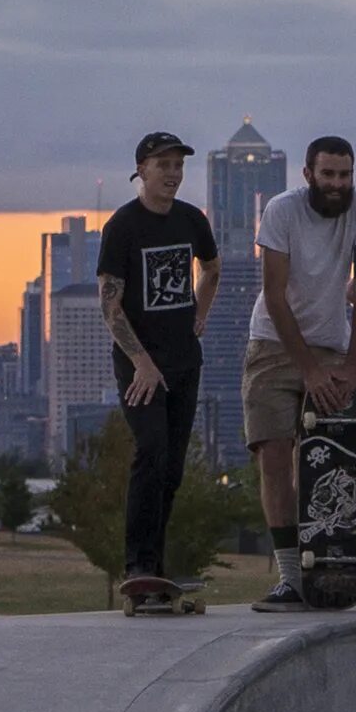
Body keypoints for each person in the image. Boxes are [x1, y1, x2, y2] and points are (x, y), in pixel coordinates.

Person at [243, 135, 356, 610]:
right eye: (328, 174)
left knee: (329, 460)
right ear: (308, 174)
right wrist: (307, 370)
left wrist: (351, 366)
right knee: (275, 455)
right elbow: (275, 294)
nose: (337, 184)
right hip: (273, 344)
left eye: (345, 175)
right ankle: (290, 577)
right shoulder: (282, 211)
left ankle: (331, 569)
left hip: (331, 347)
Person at [98, 130, 220, 594]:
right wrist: (143, 364)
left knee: (172, 468)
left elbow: (211, 267)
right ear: (141, 170)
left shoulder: (191, 220)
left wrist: (201, 312)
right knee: (150, 453)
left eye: (178, 166)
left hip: (185, 361)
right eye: (163, 165)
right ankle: (137, 564)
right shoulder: (123, 226)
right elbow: (110, 305)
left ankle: (158, 564)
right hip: (140, 367)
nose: (172, 174)